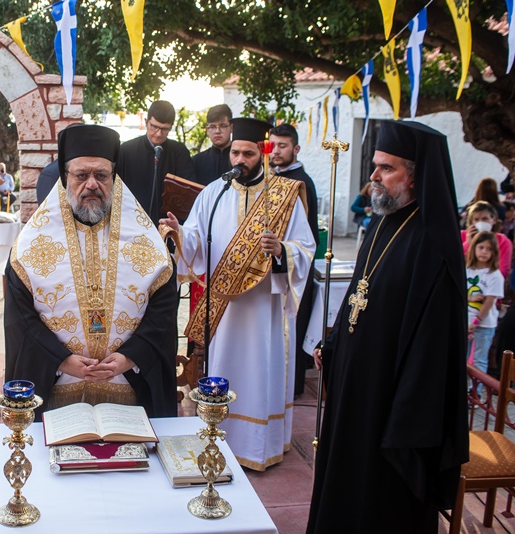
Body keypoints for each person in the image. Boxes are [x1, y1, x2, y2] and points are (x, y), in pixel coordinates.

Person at [308, 121, 469, 533]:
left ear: (416, 176)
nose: (373, 177)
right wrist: (334, 340)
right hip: (355, 391)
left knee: (380, 504)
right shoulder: (382, 222)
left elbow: (432, 348)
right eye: (375, 166)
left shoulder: (432, 245)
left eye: (386, 168)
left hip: (390, 406)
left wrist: (404, 419)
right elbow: (359, 296)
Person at [160, 117, 316, 470]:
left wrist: (281, 250)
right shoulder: (214, 193)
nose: (239, 160)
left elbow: (305, 248)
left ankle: (260, 446)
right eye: (235, 153)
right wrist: (179, 234)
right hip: (226, 311)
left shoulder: (285, 194)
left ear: (261, 153)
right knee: (225, 368)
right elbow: (198, 239)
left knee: (259, 372)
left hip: (264, 308)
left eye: (247, 153)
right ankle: (219, 438)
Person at [4, 124, 178, 418]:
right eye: (81, 175)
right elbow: (21, 320)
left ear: (113, 177)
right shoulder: (30, 247)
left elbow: (163, 311)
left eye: (101, 175)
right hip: (57, 387)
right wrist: (60, 360)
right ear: (65, 178)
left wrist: (129, 357)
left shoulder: (146, 242)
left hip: (129, 386)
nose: (92, 184)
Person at [270, 123, 320, 397]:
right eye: (274, 145)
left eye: (283, 146)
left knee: (292, 329)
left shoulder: (301, 182)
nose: (276, 152)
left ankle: (291, 389)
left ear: (296, 148)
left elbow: (304, 235)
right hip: (278, 266)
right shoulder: (274, 177)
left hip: (294, 267)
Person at [117, 100, 195, 225]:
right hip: (132, 223)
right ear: (146, 122)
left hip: (166, 225)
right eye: (154, 127)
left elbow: (188, 191)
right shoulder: (126, 150)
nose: (158, 134)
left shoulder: (179, 152)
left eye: (164, 129)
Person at [466, 231, 504, 380]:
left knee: (479, 360)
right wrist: (471, 297)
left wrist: (475, 323)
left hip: (484, 324)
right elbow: (462, 292)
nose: (484, 252)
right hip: (467, 321)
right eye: (481, 247)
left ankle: (476, 393)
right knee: (463, 357)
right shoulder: (468, 270)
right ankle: (464, 391)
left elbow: (489, 301)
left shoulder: (494, 275)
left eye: (489, 249)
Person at [461, 200, 512, 280]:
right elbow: (455, 262)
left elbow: (504, 270)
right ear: (471, 222)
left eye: (485, 219)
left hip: (490, 284)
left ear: (494, 220)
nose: (480, 222)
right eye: (476, 219)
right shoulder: (462, 236)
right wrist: (468, 243)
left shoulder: (503, 241)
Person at [191, 104, 233, 185]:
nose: (217, 131)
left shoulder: (239, 160)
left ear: (231, 128)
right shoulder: (196, 161)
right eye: (212, 127)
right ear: (207, 130)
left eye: (223, 126)